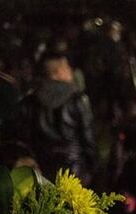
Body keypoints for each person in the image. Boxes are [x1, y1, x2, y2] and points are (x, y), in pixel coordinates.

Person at [13, 52, 98, 186]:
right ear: (57, 72)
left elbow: (24, 138)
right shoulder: (77, 99)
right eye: (67, 67)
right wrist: (92, 168)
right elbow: (88, 138)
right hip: (75, 170)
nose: (70, 70)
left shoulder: (29, 102)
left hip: (43, 171)